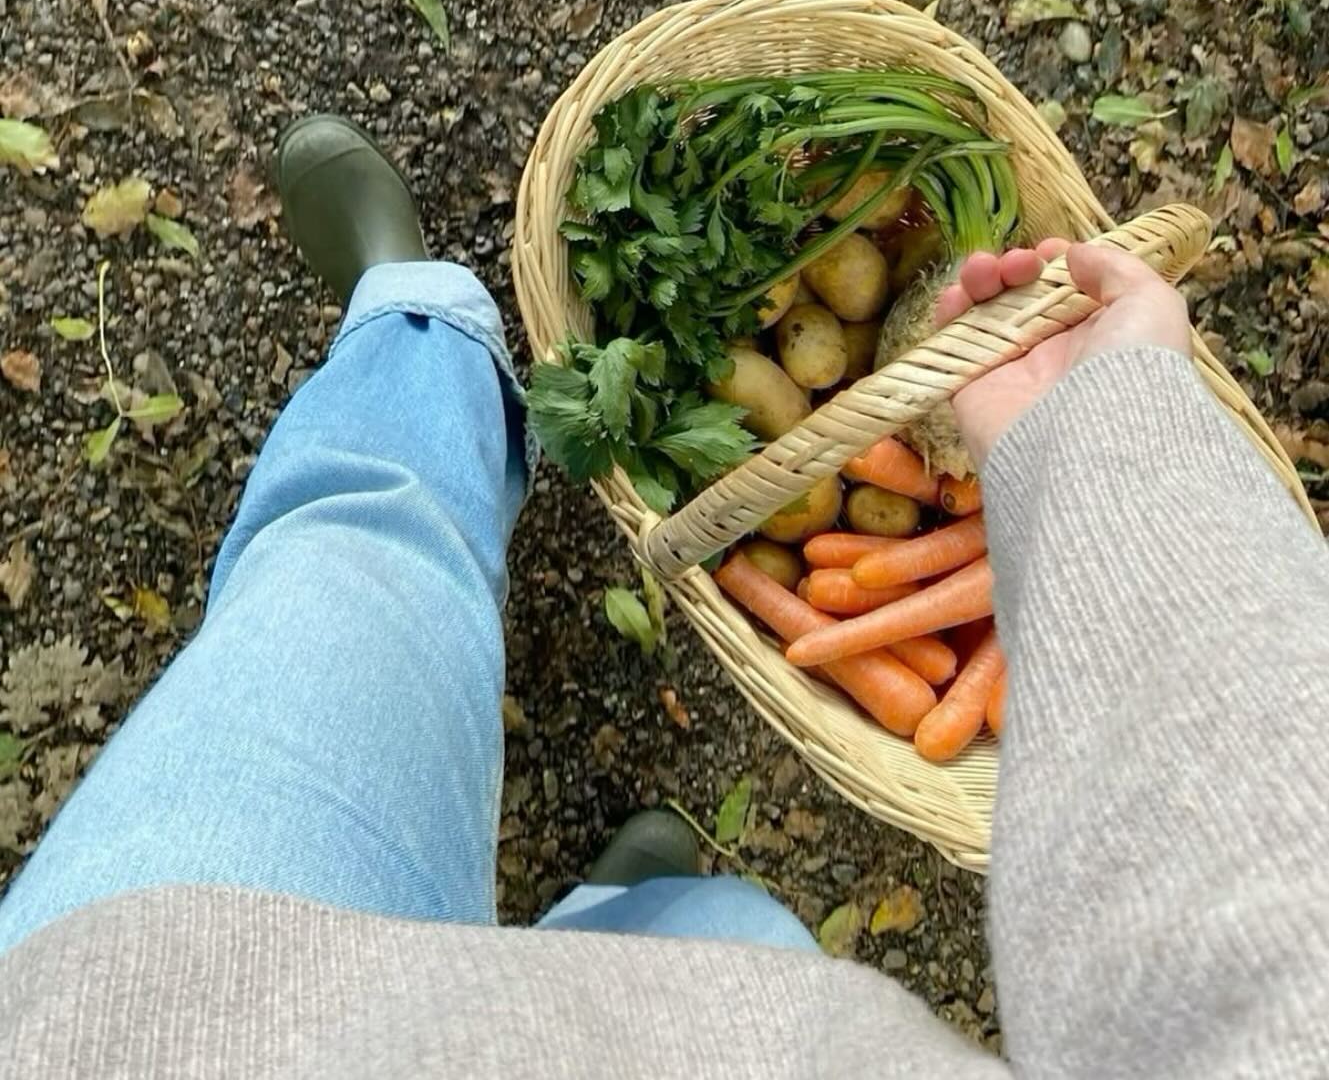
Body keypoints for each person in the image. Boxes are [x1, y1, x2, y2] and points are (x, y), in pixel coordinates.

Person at [1, 115, 1326, 1078]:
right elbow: (1260, 910)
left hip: (198, 1021)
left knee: (354, 557)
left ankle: (416, 328)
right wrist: (1110, 440)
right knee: (715, 942)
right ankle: (626, 907)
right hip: (755, 1054)